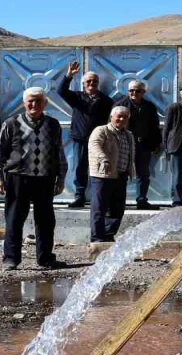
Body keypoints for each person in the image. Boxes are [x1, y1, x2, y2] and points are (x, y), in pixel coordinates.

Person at [0, 87, 68, 271]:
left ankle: (45, 258)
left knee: (46, 220)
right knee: (14, 219)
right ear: (24, 103)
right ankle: (11, 259)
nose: (34, 105)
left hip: (45, 178)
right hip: (18, 178)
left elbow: (59, 154)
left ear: (45, 103)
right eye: (30, 101)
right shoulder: (11, 123)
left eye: (38, 101)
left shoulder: (53, 125)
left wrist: (61, 178)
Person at [57, 61, 113, 208]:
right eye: (88, 81)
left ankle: (99, 197)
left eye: (94, 81)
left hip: (99, 140)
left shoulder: (106, 100)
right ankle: (79, 196)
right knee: (80, 168)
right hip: (80, 139)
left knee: (99, 167)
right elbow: (61, 91)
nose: (91, 83)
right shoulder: (77, 97)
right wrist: (69, 75)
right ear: (83, 83)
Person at [87, 106, 136, 242]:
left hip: (121, 175)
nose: (122, 119)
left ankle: (108, 235)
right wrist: (104, 159)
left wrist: (130, 170)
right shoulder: (102, 130)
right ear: (111, 117)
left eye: (125, 117)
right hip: (103, 175)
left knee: (117, 208)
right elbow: (94, 145)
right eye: (119, 116)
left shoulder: (128, 135)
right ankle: (97, 238)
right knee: (99, 207)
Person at [113, 79, 161, 210]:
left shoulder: (149, 107)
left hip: (143, 144)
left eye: (137, 90)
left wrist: (156, 144)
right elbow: (113, 126)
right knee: (121, 173)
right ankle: (118, 201)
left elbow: (155, 126)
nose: (134, 93)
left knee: (143, 174)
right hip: (124, 144)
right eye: (131, 90)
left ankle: (142, 200)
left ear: (143, 92)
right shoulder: (120, 105)